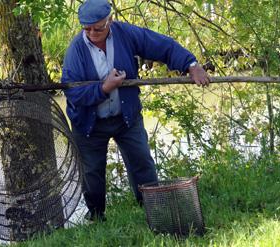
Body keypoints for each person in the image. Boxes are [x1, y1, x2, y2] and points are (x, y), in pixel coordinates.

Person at [61, 0, 210, 221]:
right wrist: (104, 88)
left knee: (142, 164)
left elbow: (162, 46)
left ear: (109, 21)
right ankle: (96, 217)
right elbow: (72, 93)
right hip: (89, 124)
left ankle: (153, 211)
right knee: (91, 174)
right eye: (87, 28)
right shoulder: (75, 51)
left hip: (126, 118)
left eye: (98, 28)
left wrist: (191, 64)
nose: (92, 33)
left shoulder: (125, 34)